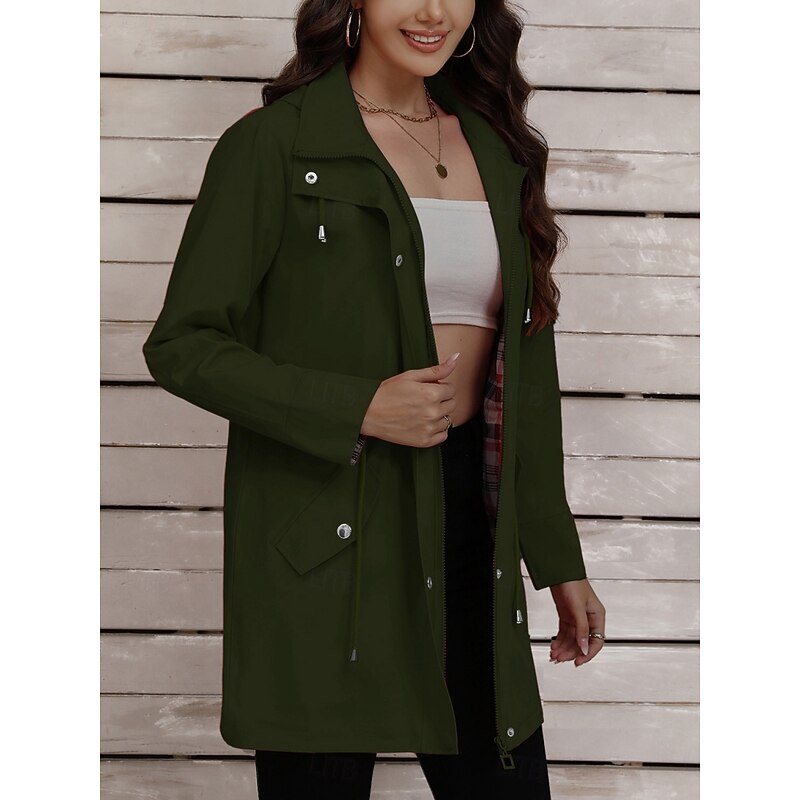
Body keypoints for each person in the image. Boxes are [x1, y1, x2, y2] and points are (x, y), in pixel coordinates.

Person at [142, 1, 607, 798]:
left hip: (472, 524)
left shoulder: (495, 148)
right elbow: (183, 345)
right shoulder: (277, 145)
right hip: (327, 525)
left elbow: (526, 376)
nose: (432, 11)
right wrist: (356, 406)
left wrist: (557, 559)